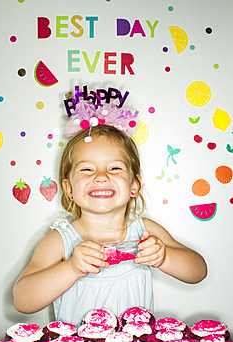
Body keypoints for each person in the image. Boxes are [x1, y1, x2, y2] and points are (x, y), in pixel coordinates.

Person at [13, 99, 207, 327]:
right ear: (69, 188)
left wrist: (164, 257)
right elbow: (22, 301)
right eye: (87, 169)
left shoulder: (145, 231)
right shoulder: (60, 240)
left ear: (134, 185)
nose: (101, 176)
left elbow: (198, 271)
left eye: (114, 168)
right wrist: (71, 268)